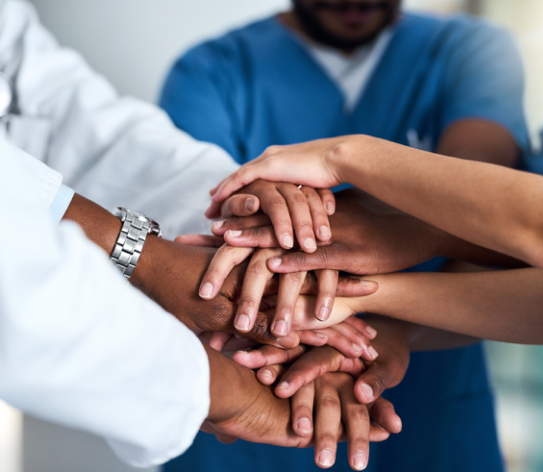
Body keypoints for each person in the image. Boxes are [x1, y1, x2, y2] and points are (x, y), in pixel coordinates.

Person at [0, 0, 399, 468]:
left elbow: (61, 115)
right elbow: (20, 290)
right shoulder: (214, 68)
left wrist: (256, 232)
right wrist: (224, 390)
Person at [160, 0, 529, 470]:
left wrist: (316, 234)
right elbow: (202, 215)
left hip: (428, 397)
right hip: (256, 387)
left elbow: (488, 195)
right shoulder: (210, 70)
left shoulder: (470, 50)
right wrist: (267, 209)